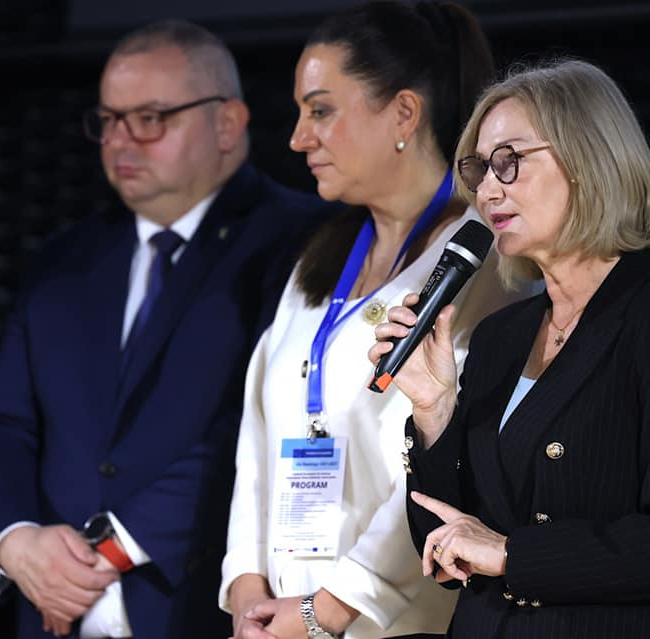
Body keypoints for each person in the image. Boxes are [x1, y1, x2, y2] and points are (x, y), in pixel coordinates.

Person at [0, 20, 331, 639]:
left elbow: (261, 427)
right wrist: (16, 542)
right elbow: (1, 423)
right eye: (108, 120)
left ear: (228, 123)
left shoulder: (307, 242)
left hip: (201, 604)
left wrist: (108, 551)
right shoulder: (64, 258)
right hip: (54, 611)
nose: (119, 142)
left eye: (150, 119)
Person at [370, 59, 650, 638]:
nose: (487, 189)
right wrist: (434, 409)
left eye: (510, 161)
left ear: (589, 159)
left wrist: (513, 555)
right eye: (478, 168)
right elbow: (443, 549)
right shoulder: (501, 336)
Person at [220, 3, 536, 638]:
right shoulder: (319, 258)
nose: (298, 138)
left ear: (403, 114)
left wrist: (331, 608)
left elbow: (453, 453)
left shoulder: (483, 255)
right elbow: (259, 438)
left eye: (321, 110)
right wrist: (246, 590)